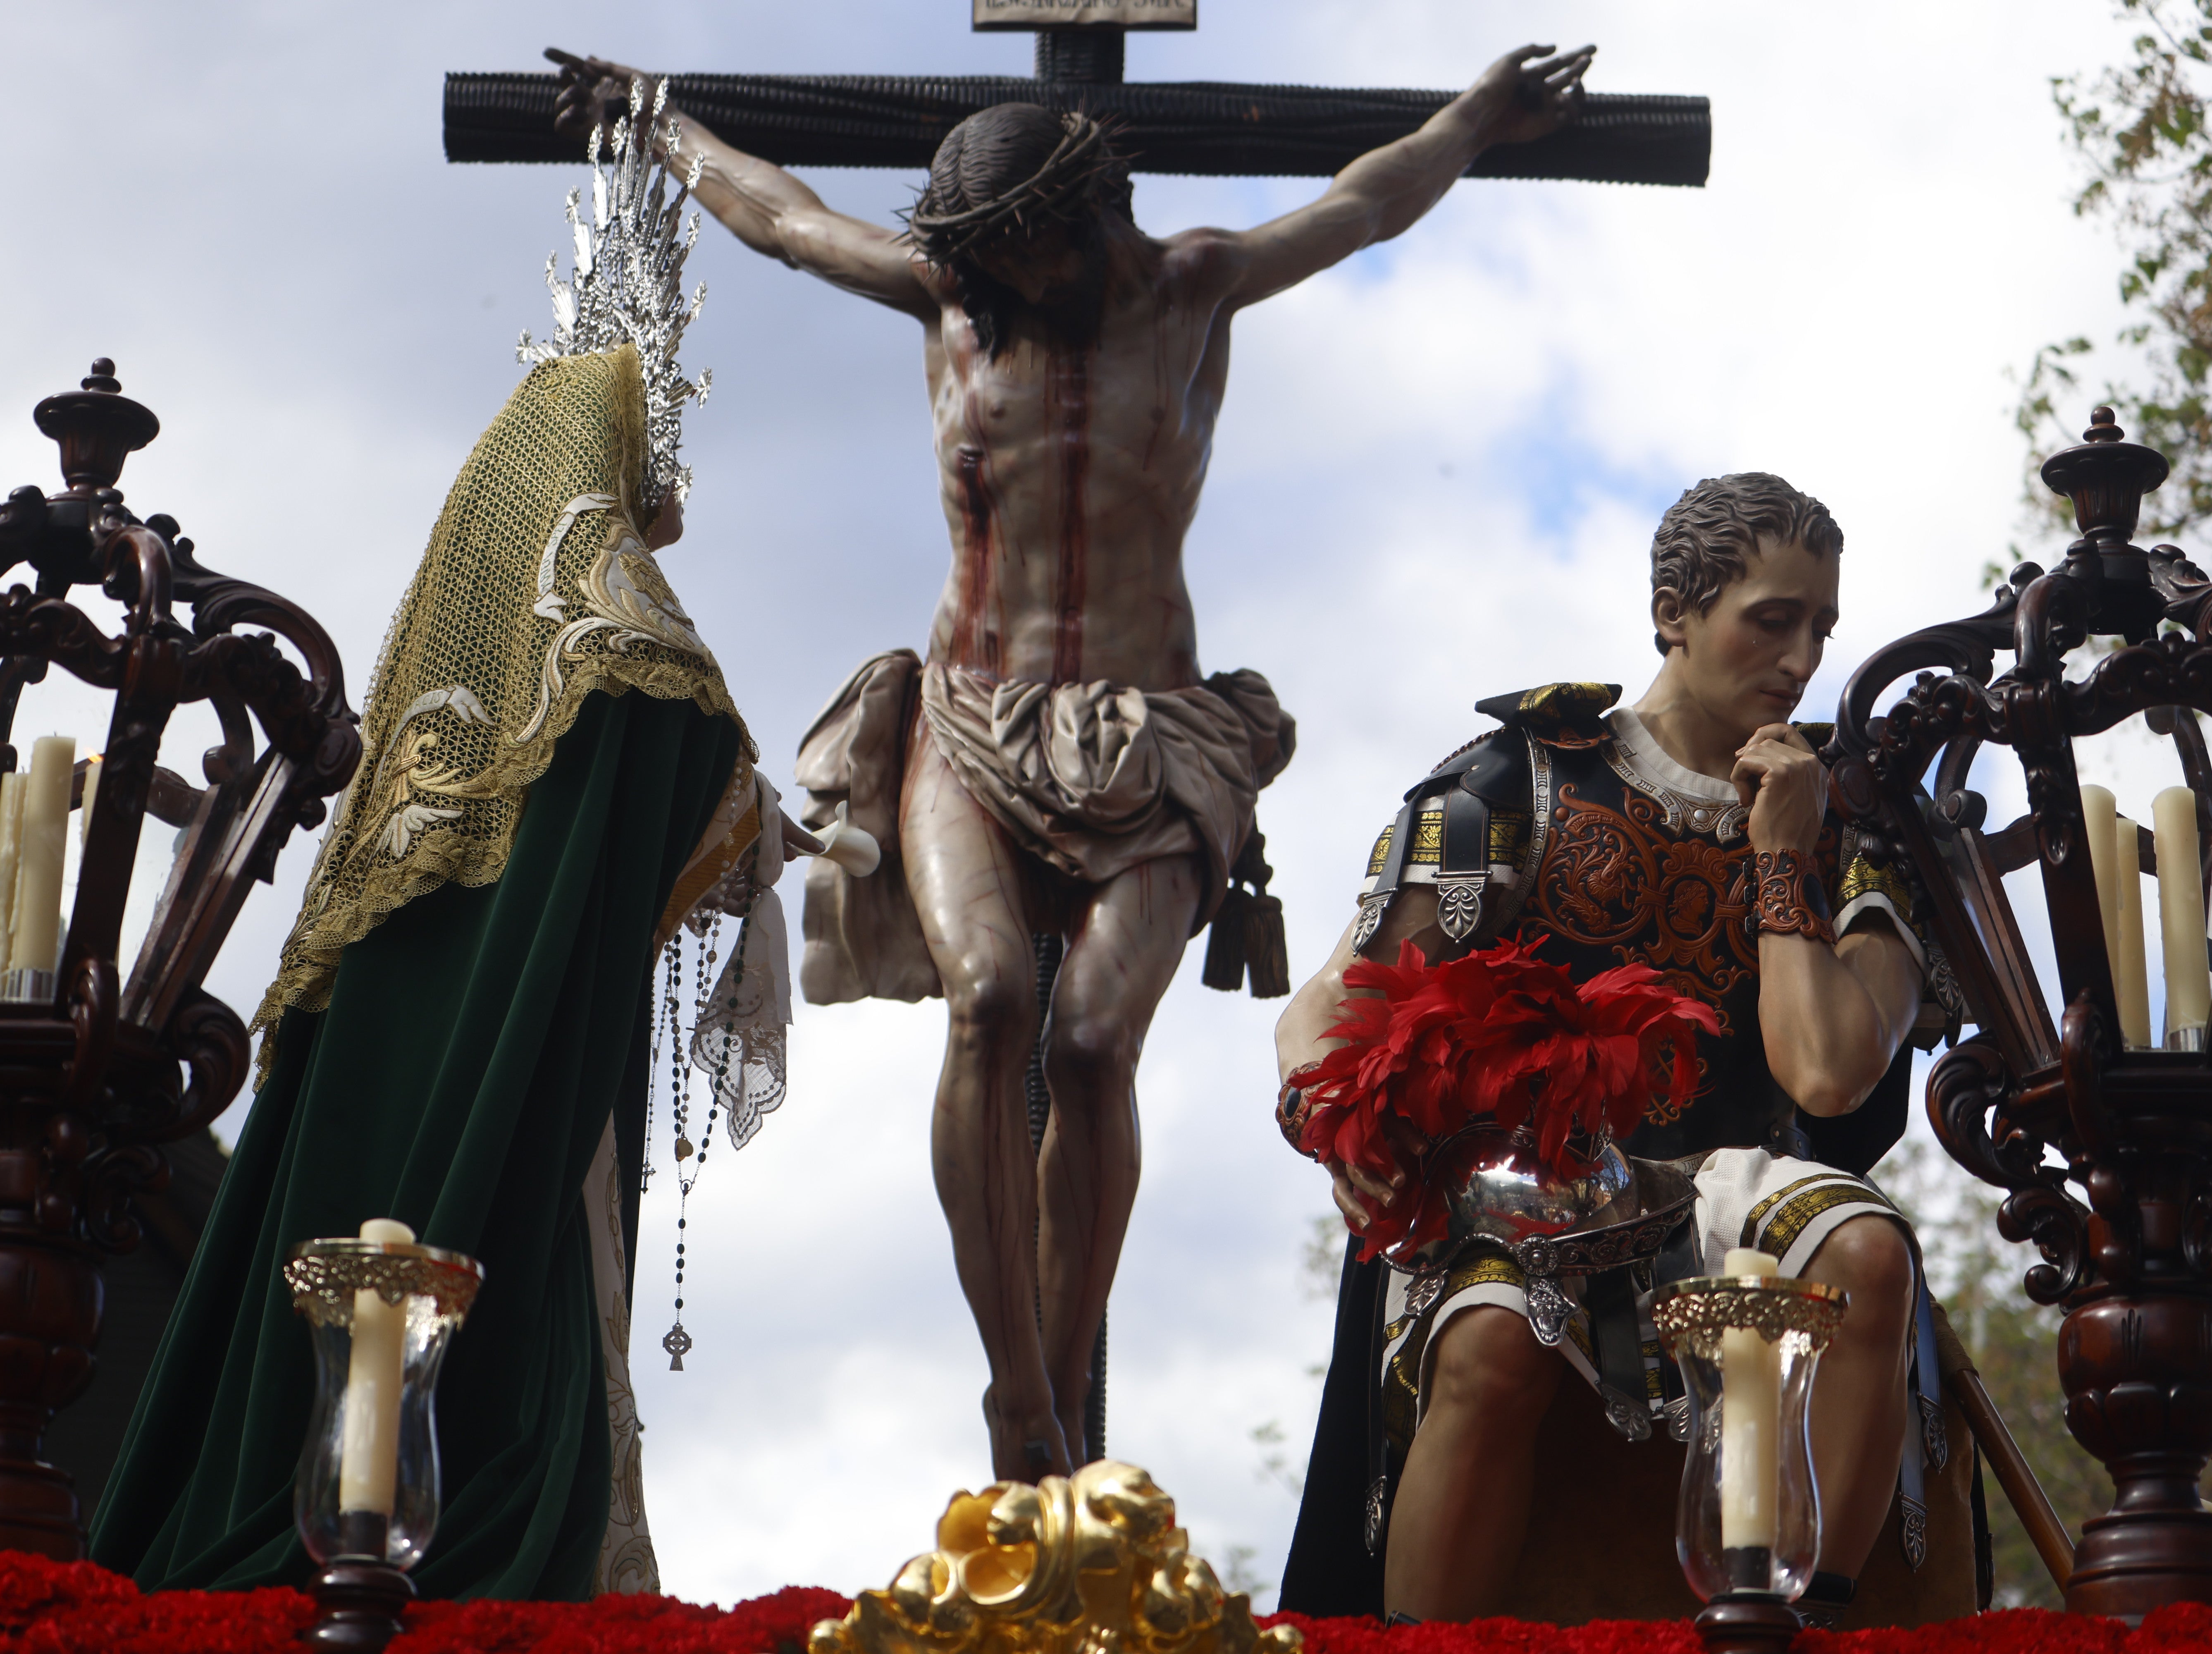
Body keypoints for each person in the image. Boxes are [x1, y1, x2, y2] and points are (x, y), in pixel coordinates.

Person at [551, 41, 1596, 1480]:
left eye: (1020, 256)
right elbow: (786, 221)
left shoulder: (1196, 284)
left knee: (1095, 1041)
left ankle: (1056, 1375)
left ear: (1090, 215)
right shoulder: (953, 298)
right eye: (977, 264)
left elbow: (1364, 203)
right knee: (988, 1000)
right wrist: (660, 126)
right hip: (972, 721)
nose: (998, 285)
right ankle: (1019, 1401)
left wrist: (1479, 115)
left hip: (1155, 738)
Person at [88, 112, 808, 1599]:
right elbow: (683, 733)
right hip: (514, 1090)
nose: (667, 495)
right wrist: (751, 812)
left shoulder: (458, 683)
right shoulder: (611, 635)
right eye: (652, 453)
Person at [1273, 475, 1941, 1623]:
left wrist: (1783, 855)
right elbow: (1341, 996)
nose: (1800, 660)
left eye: (1821, 628)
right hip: (1528, 1179)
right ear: (1674, 612)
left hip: (1742, 1187)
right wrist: (1327, 1116)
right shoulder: (1519, 779)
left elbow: (1828, 1075)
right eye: (1772, 620)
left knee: (1872, 1253)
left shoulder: (1858, 825)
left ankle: (1810, 1622)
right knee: (1495, 1338)